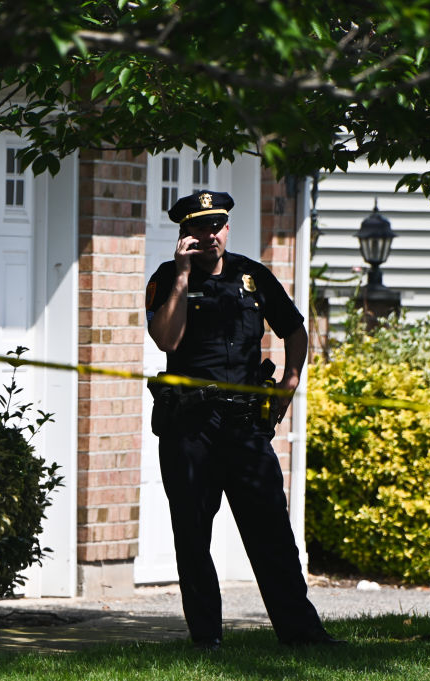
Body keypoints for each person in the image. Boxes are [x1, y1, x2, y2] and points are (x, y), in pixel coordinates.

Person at [145, 189, 342, 650]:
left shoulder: (252, 276)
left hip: (246, 427)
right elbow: (167, 341)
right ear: (184, 234)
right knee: (193, 534)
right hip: (191, 427)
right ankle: (207, 638)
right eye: (199, 227)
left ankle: (303, 634)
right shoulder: (166, 278)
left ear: (226, 228)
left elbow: (294, 328)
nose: (210, 234)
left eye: (216, 225)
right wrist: (180, 277)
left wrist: (290, 383)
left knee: (272, 530)